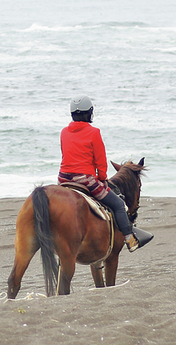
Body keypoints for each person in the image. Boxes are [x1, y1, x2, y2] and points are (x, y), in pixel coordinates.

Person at [59, 96, 153, 251]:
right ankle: (130, 240)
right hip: (86, 180)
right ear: (89, 113)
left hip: (64, 179)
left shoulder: (63, 132)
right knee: (118, 205)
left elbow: (65, 154)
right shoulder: (93, 132)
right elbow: (100, 161)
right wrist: (102, 178)